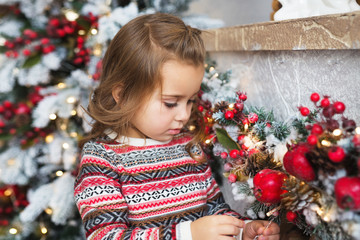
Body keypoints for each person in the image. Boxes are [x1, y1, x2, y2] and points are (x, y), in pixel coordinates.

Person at [74, 13, 280, 240]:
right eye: (170, 103)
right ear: (123, 95)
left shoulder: (187, 146)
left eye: (191, 100)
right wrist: (186, 234)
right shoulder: (102, 160)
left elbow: (214, 211)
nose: (184, 115)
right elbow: (107, 236)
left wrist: (243, 230)